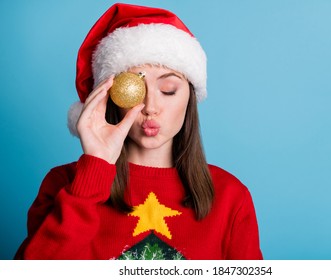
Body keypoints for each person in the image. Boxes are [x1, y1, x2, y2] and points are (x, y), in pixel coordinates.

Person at [15, 3, 263, 260]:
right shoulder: (63, 185)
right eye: (133, 91)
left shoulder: (230, 196)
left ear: (190, 97)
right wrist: (94, 170)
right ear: (109, 97)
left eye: (168, 90)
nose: (150, 107)